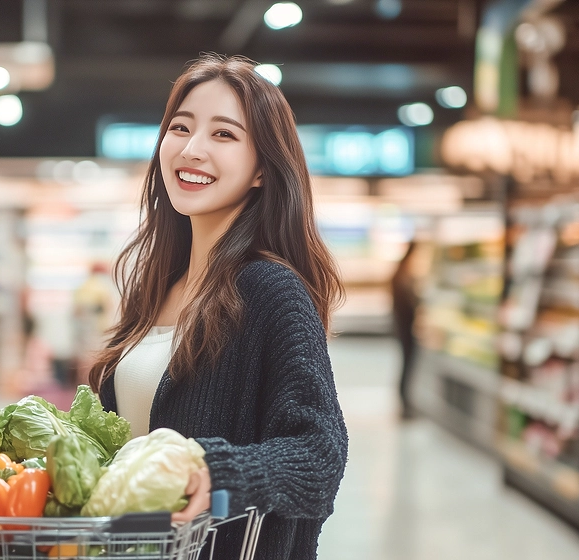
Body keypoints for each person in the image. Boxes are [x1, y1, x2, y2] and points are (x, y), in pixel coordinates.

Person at [88, 54, 348, 560]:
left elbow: (320, 454)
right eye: (180, 128)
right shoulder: (156, 287)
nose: (192, 149)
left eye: (224, 134)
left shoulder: (270, 290)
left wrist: (215, 470)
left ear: (261, 170)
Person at [391, 240, 419, 419]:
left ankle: (405, 401)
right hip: (406, 330)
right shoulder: (403, 277)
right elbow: (408, 306)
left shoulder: (400, 274)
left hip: (403, 329)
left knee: (406, 365)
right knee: (407, 365)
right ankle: (404, 402)